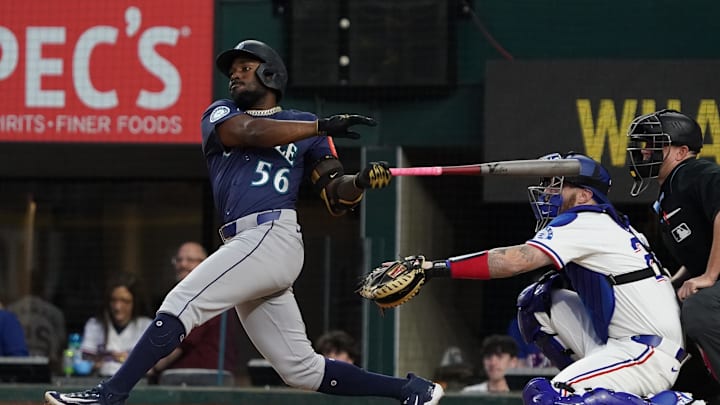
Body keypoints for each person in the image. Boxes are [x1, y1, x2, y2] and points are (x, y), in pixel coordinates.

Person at [44, 39, 442, 405]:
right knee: (299, 369)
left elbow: (336, 197)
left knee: (181, 302)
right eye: (232, 68)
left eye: (245, 66)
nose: (234, 73)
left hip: (272, 235)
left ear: (271, 73)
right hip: (247, 244)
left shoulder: (303, 127)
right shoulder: (223, 114)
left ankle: (110, 394)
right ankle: (410, 390)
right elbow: (248, 132)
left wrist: (360, 182)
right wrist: (321, 124)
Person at [391, 152, 696, 404]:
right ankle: (595, 387)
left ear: (585, 194)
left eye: (559, 185)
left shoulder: (587, 220)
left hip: (646, 352)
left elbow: (514, 261)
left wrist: (435, 268)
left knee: (548, 397)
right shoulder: (612, 224)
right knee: (538, 302)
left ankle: (663, 402)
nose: (549, 192)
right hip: (625, 341)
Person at [627, 108, 720, 400]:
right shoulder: (670, 191)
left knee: (700, 308)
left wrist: (709, 276)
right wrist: (674, 281)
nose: (644, 153)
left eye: (655, 146)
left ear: (681, 152)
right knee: (665, 316)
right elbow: (697, 253)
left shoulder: (696, 172)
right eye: (644, 146)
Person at [147, 242, 239, 383]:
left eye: (190, 260)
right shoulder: (182, 296)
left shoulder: (207, 295)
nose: (183, 264)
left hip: (203, 384)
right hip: (180, 382)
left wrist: (146, 367)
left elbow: (178, 343)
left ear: (206, 264)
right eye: (179, 260)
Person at [79, 272, 152, 377]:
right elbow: (84, 361)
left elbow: (151, 368)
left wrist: (110, 357)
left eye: (125, 301)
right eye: (114, 300)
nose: (117, 307)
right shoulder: (94, 325)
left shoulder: (146, 326)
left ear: (135, 302)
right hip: (99, 383)